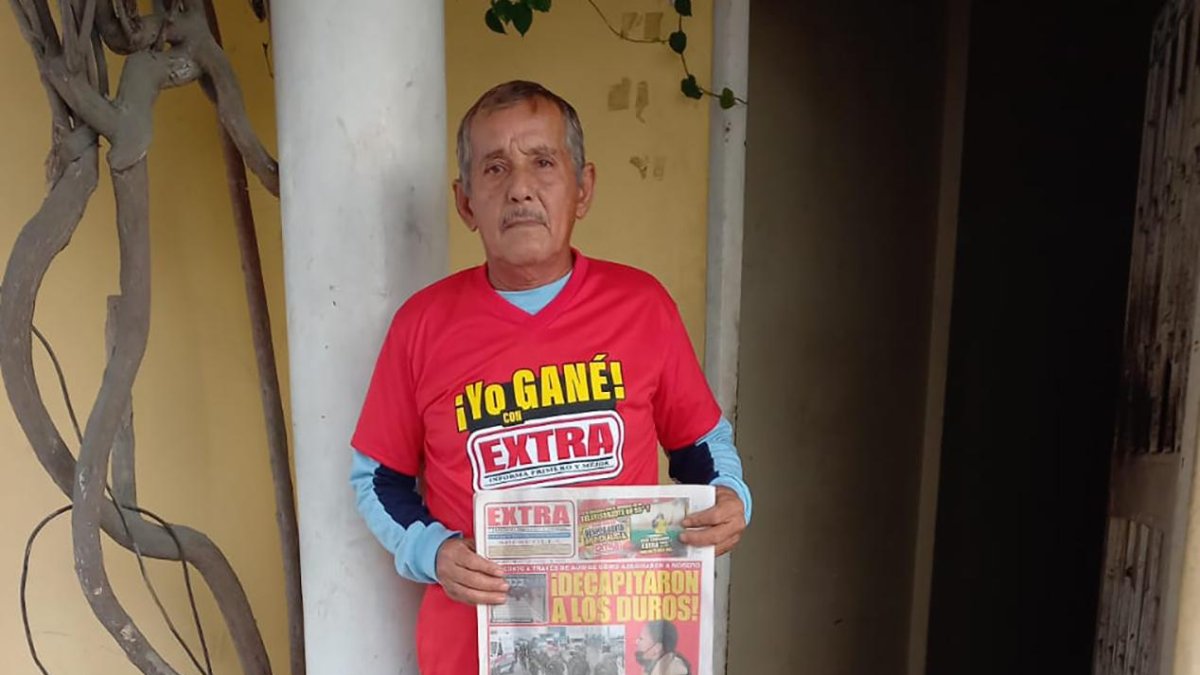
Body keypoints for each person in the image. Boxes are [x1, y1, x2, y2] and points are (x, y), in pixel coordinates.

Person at [349, 80, 753, 674]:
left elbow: (704, 451)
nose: (519, 188)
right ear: (465, 204)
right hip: (471, 652)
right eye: (494, 168)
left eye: (542, 162)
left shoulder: (642, 306)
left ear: (582, 187)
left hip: (625, 647)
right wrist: (431, 553)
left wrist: (731, 499)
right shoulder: (422, 326)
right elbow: (377, 480)